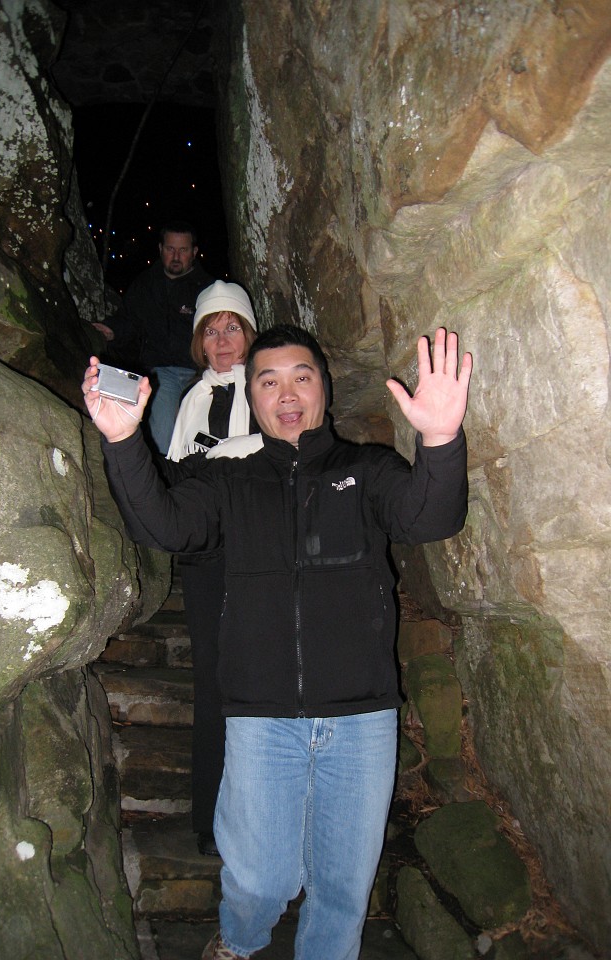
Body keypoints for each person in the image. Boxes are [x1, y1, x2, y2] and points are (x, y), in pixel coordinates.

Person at [82, 324, 472, 960]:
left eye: (302, 376)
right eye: (268, 381)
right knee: (261, 878)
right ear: (252, 397)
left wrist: (440, 438)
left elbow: (430, 516)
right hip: (262, 717)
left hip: (362, 716)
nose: (286, 393)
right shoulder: (230, 482)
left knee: (343, 892)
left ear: (324, 388)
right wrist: (124, 443)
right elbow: (167, 527)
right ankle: (238, 941)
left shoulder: (366, 470)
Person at [166, 280, 259, 856]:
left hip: (255, 548)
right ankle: (209, 813)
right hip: (206, 556)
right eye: (210, 329)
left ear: (247, 333)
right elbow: (180, 470)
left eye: (230, 327)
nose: (221, 340)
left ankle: (256, 812)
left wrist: (222, 456)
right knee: (210, 678)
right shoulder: (193, 398)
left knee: (254, 678)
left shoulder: (268, 385)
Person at [99, 219, 214, 454]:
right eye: (170, 249)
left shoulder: (208, 288)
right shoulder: (145, 285)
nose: (176, 256)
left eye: (182, 250)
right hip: (162, 372)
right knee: (163, 427)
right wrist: (110, 330)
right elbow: (129, 321)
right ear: (160, 249)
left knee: (209, 433)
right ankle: (163, 477)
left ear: (194, 253)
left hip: (203, 372)